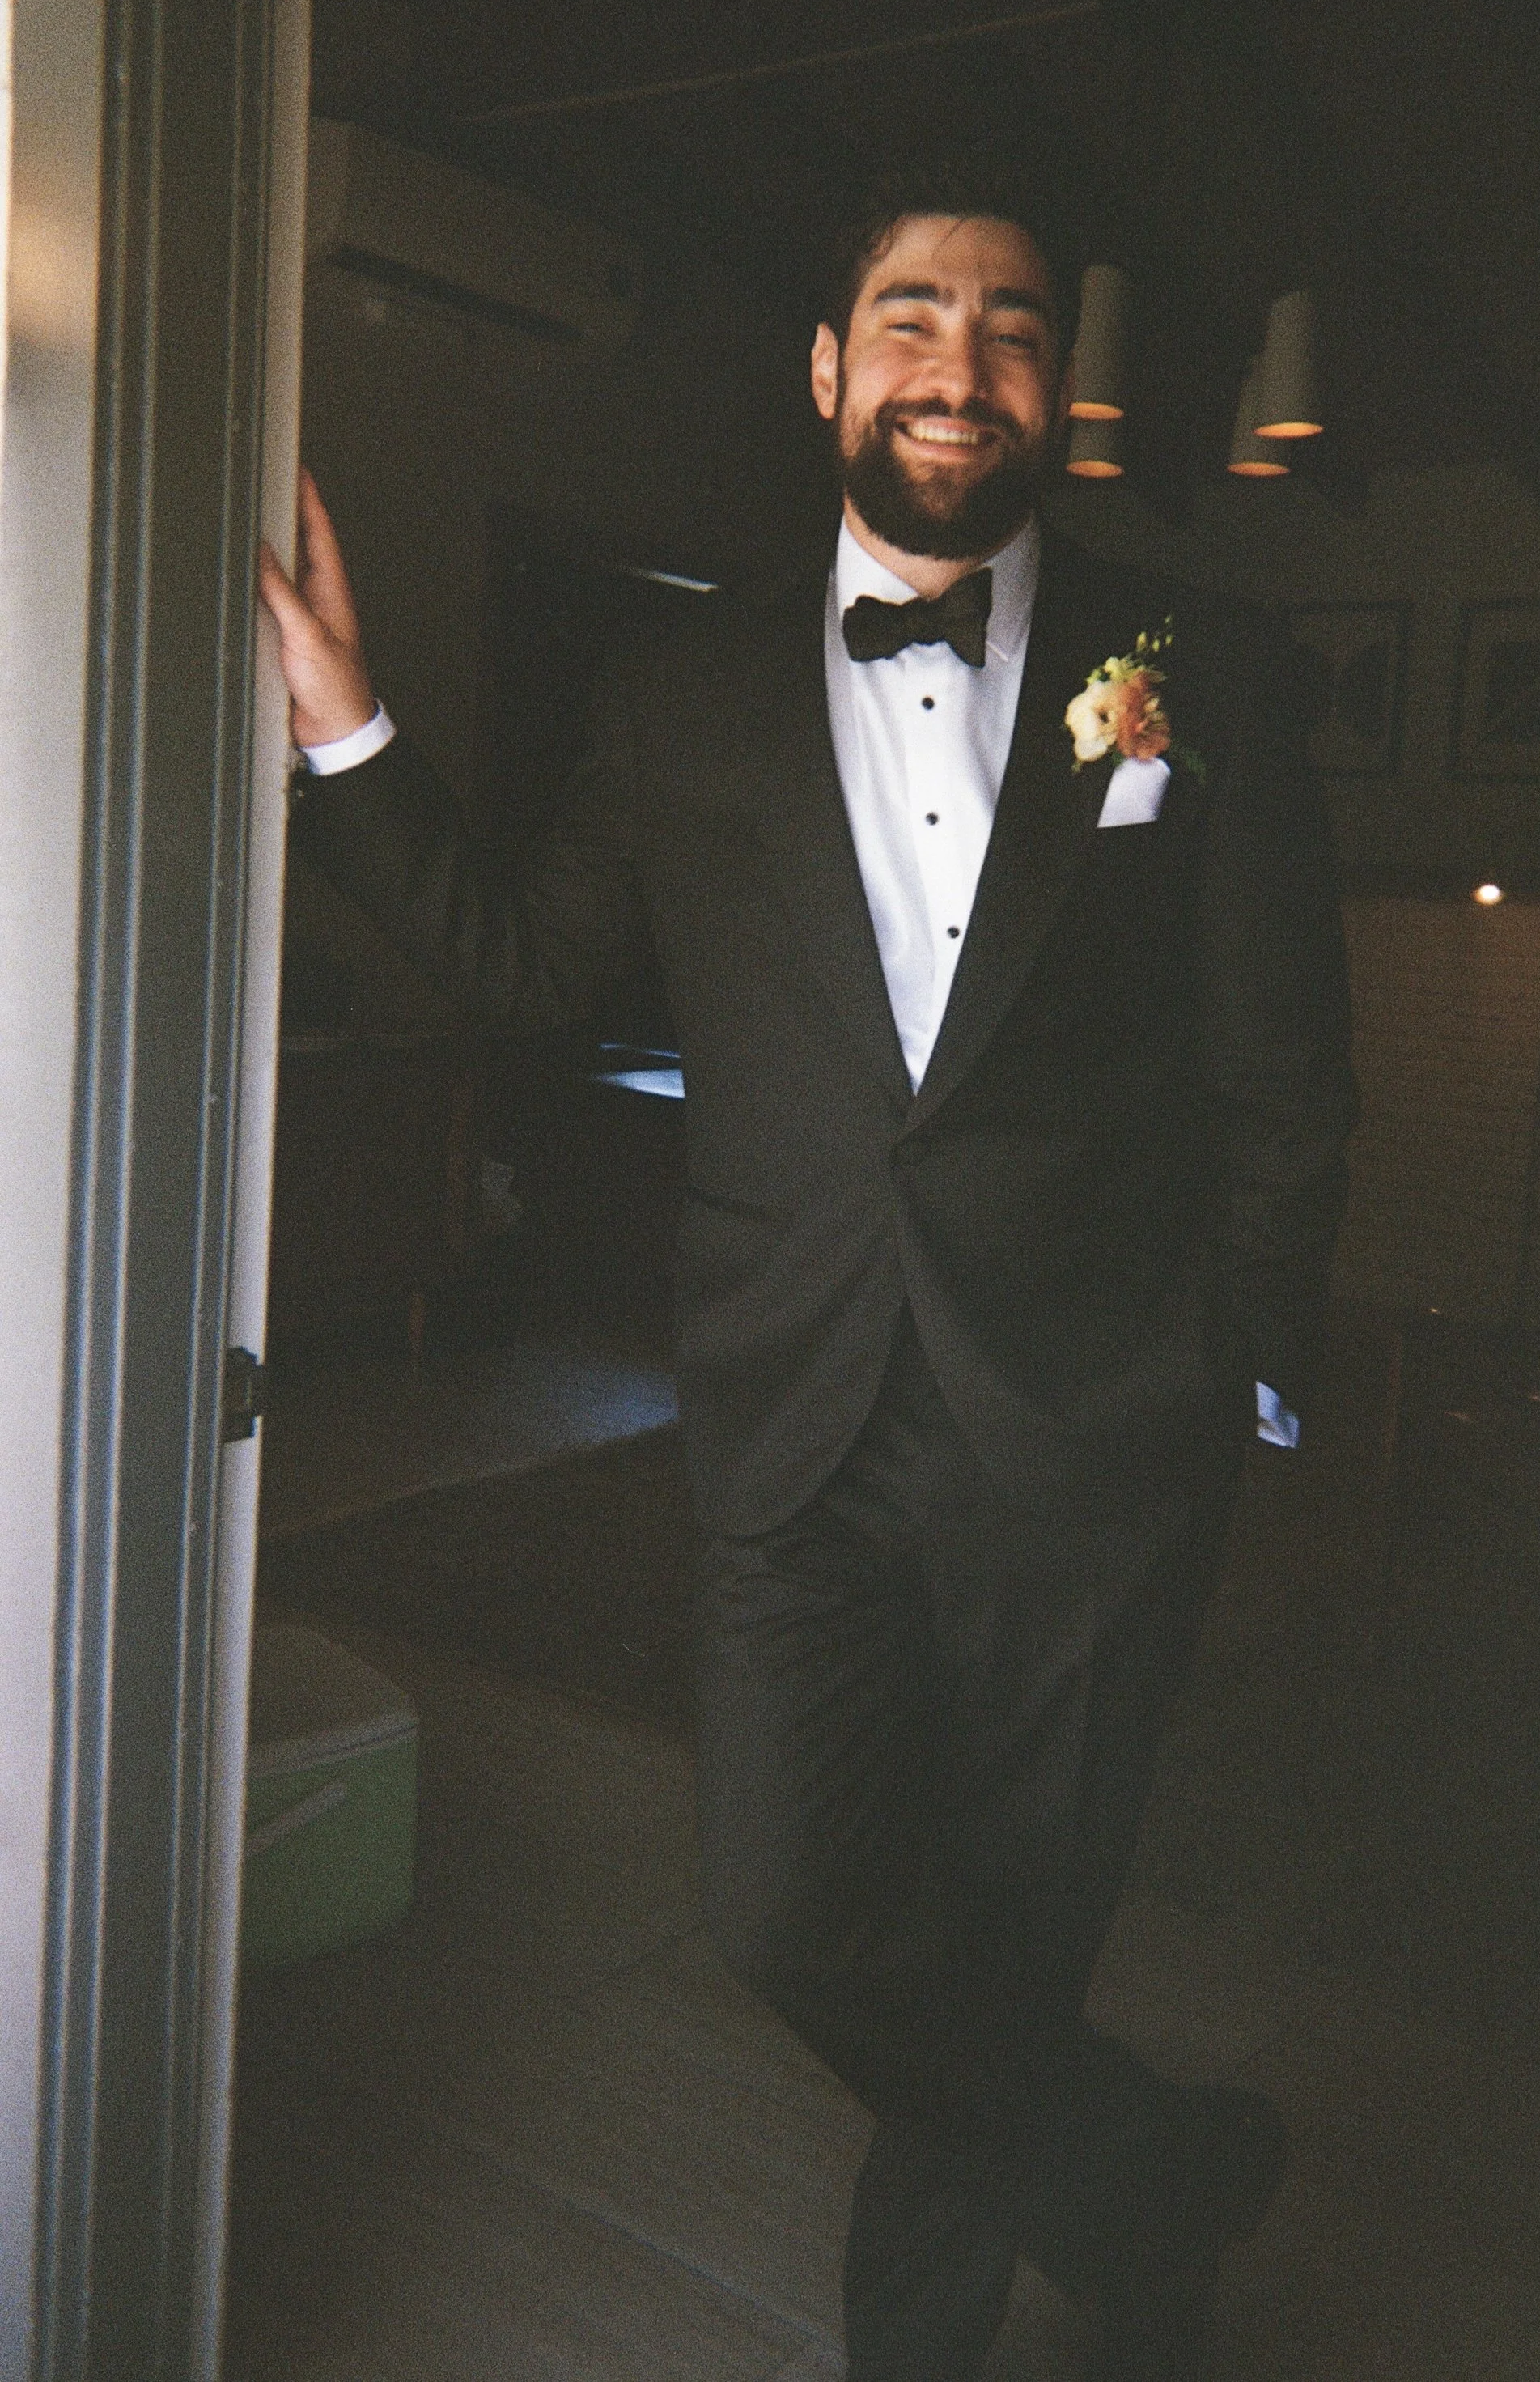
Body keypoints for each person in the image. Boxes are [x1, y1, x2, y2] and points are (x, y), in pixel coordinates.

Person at [260, 163, 1357, 2382]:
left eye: (1016, 326)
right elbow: (522, 962)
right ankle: (1160, 2178)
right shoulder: (682, 680)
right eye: (917, 317)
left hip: (1088, 1439)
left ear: (1056, 383)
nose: (964, 363)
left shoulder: (1192, 665)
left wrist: (1207, 1366)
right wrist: (346, 730)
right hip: (797, 1417)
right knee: (789, 1915)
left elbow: (1285, 1063)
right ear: (832, 368)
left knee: (1013, 1946)